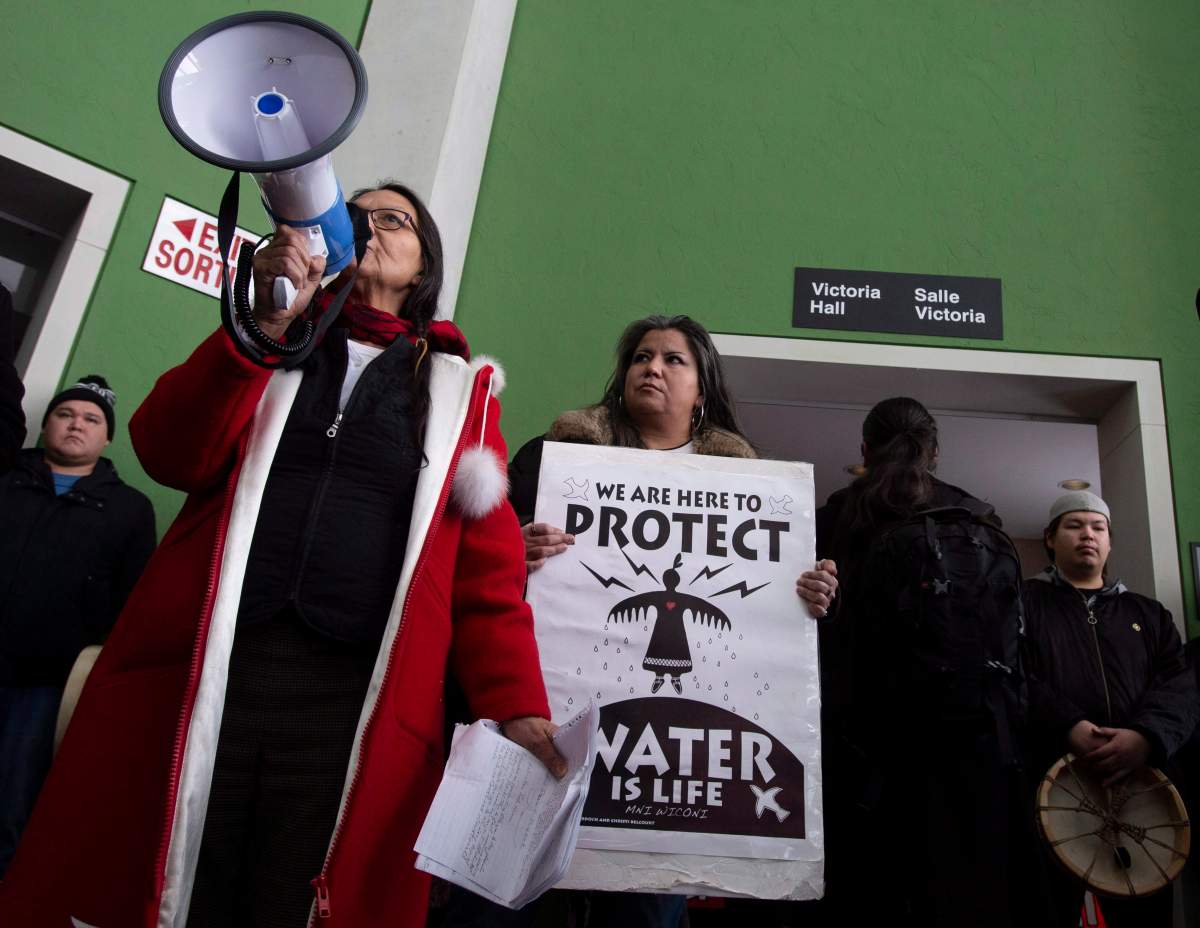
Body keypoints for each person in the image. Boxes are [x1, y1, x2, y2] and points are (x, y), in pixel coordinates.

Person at [0, 183, 561, 928]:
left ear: (426, 263)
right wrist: (263, 324)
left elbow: (488, 579)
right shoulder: (272, 335)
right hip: (212, 672)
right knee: (176, 882)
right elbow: (169, 452)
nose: (369, 227)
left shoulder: (465, 395)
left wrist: (518, 705)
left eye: (393, 219)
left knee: (296, 896)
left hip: (353, 697)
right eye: (353, 215)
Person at [446, 314, 836, 927]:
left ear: (701, 390)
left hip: (671, 765)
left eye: (673, 360)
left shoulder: (754, 489)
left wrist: (805, 594)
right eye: (641, 357)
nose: (652, 368)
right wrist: (512, 550)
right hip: (544, 726)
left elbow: (762, 615)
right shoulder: (551, 462)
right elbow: (478, 566)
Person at [814, 396, 1039, 928]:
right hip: (979, 743)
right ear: (935, 453)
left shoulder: (837, 516)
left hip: (869, 746)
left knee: (871, 891)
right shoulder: (980, 514)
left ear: (864, 449)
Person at [0, 374, 156, 877]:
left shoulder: (129, 510)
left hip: (47, 684)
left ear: (106, 437)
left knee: (13, 803)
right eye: (66, 414)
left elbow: (134, 604)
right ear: (45, 423)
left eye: (91, 420)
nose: (76, 425)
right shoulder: (5, 481)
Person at [1023, 491, 1197, 928]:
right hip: (1050, 788)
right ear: (1050, 538)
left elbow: (1181, 687)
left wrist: (1145, 737)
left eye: (1097, 528)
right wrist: (1068, 726)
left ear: (1109, 541)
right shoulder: (1022, 604)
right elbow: (1011, 676)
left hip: (1142, 793)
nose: (1087, 535)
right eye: (1074, 525)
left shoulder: (1150, 614)